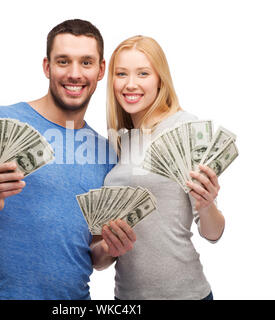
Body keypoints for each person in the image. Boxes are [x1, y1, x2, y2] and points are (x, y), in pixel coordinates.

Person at [0, 19, 134, 300]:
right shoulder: (0, 121)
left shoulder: (107, 153)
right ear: (47, 67)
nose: (75, 74)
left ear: (101, 70)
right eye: (63, 61)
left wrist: (110, 250)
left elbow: (96, 256)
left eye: (86, 62)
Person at [94, 35, 225, 300]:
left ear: (160, 79)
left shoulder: (184, 128)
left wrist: (208, 204)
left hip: (186, 294)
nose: (131, 84)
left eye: (143, 73)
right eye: (121, 74)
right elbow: (100, 260)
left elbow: (213, 234)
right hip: (127, 297)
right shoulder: (119, 141)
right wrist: (109, 246)